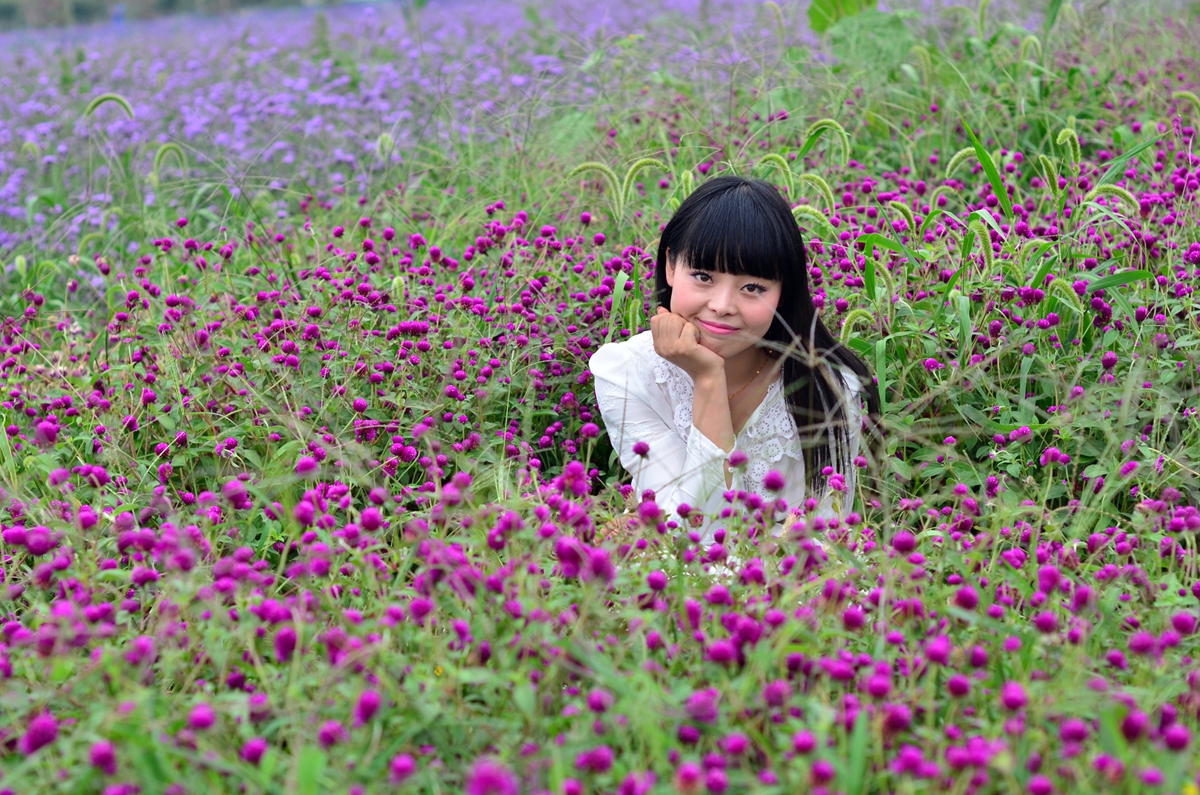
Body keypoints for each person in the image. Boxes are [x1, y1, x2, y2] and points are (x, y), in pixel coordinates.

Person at [589, 175, 881, 541]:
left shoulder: (827, 387)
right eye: (702, 276)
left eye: (753, 287)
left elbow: (824, 543)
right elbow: (685, 534)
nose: (722, 306)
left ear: (782, 293)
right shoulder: (628, 371)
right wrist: (708, 379)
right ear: (670, 266)